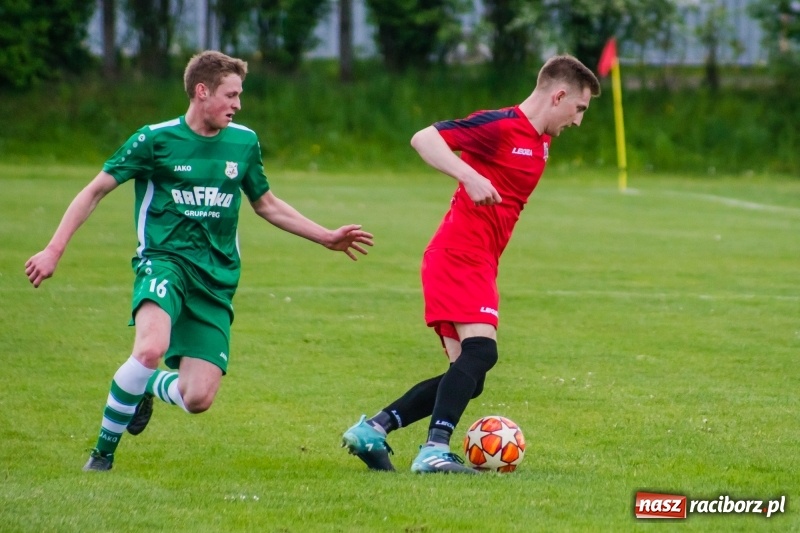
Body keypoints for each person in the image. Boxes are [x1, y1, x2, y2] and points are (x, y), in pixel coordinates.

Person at [25, 50, 374, 472]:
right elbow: (94, 190)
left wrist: (326, 237)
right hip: (164, 263)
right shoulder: (154, 139)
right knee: (150, 347)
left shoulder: (243, 142)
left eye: (240, 95)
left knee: (198, 399)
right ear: (201, 91)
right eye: (231, 94)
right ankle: (101, 455)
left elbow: (266, 203)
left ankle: (146, 386)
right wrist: (53, 249)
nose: (238, 104)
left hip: (216, 279)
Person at [341, 54, 600, 473]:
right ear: (559, 96)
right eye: (579, 108)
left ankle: (373, 430)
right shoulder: (500, 126)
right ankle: (433, 450)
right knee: (482, 352)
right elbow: (423, 138)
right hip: (459, 254)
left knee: (468, 377)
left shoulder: (542, 140)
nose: (578, 120)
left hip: (477, 259)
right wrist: (469, 175)